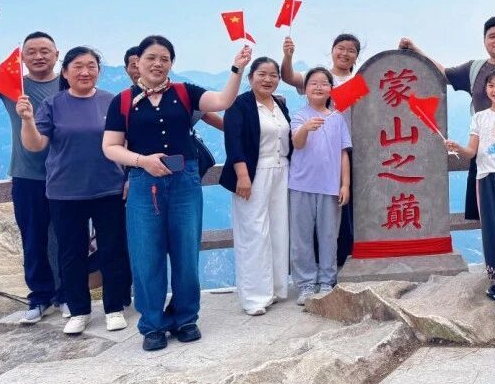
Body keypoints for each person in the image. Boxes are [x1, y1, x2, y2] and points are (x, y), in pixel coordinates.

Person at [102, 35, 250, 352]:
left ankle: (186, 318)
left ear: (171, 63)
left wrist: (237, 69)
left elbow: (223, 101)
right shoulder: (122, 101)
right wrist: (143, 161)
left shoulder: (185, 92)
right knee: (146, 255)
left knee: (185, 252)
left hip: (185, 181)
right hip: (143, 182)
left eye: (165, 58)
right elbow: (110, 147)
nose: (158, 64)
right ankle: (153, 325)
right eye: (151, 58)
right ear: (138, 62)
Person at [400, 17, 495, 277]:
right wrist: (416, 50)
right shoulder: (475, 69)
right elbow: (444, 74)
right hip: (484, 155)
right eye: (492, 36)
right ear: (485, 41)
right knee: (488, 214)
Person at [0, 4, 64, 323]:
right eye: (31, 52)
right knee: (33, 239)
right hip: (27, 176)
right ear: (23, 58)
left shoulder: (70, 83)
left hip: (67, 176)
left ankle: (67, 296)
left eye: (45, 51)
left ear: (57, 54)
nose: (39, 56)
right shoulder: (11, 84)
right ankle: (40, 298)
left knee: (68, 239)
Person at [17, 47, 128, 335]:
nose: (85, 72)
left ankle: (114, 308)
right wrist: (27, 120)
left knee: (113, 250)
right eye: (78, 66)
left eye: (91, 66)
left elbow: (127, 143)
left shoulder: (111, 102)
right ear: (65, 72)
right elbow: (36, 144)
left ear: (99, 71)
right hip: (65, 192)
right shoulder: (53, 104)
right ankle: (79, 310)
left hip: (109, 188)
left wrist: (129, 177)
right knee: (70, 253)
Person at [445, 69, 495, 305]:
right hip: (484, 178)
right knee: (491, 231)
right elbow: (472, 151)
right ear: (486, 89)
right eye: (491, 85)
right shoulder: (479, 118)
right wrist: (458, 147)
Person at [220, 57, 292, 316]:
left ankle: (276, 288)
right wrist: (242, 175)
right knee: (254, 232)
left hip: (281, 170)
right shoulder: (239, 105)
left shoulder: (279, 104)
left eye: (273, 75)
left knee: (278, 229)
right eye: (262, 74)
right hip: (253, 173)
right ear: (251, 77)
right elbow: (234, 141)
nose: (268, 79)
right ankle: (254, 297)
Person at [282, 33, 361, 267]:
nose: (345, 53)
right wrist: (288, 56)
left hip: (347, 149)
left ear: (357, 56)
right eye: (340, 48)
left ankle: (339, 263)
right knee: (312, 214)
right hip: (315, 150)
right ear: (332, 49)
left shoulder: (359, 82)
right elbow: (288, 76)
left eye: (351, 50)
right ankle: (313, 267)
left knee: (343, 208)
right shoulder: (319, 77)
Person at [289, 67, 352, 304]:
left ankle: (327, 281)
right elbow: (297, 143)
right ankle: (305, 284)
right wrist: (306, 128)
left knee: (329, 236)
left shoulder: (338, 118)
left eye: (324, 83)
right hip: (301, 185)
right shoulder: (299, 116)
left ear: (331, 89)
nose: (318, 87)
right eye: (313, 83)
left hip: (330, 186)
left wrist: (345, 184)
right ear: (305, 89)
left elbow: (344, 153)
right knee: (301, 237)